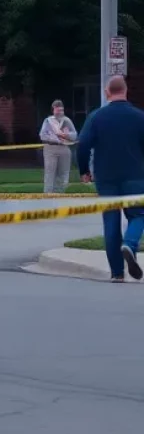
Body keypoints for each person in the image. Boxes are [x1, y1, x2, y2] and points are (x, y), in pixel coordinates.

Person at [77, 76, 144, 281]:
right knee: (138, 214)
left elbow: (83, 144)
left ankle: (117, 273)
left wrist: (84, 170)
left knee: (111, 221)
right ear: (125, 91)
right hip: (135, 175)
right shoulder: (139, 117)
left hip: (106, 178)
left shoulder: (96, 117)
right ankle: (130, 244)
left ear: (107, 93)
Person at [39, 99, 78, 193]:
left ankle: (60, 197)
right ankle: (48, 198)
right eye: (58, 110)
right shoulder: (48, 121)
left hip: (64, 149)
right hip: (50, 149)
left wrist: (66, 135)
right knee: (50, 174)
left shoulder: (67, 120)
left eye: (61, 110)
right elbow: (42, 135)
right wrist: (55, 137)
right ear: (53, 109)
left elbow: (75, 135)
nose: (60, 112)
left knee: (63, 175)